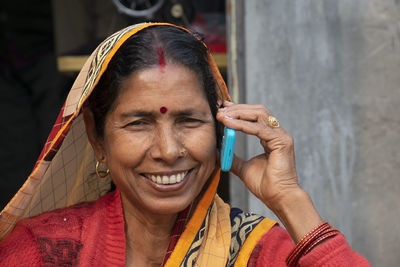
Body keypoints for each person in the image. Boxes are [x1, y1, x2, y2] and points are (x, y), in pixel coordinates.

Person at [0, 23, 370, 266]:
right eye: (139, 123)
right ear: (97, 137)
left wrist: (290, 199)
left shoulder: (259, 252)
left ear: (222, 127)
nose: (168, 150)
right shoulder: (43, 250)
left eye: (189, 120)